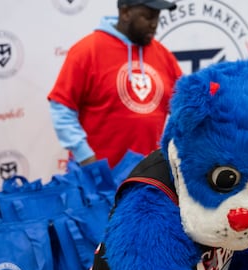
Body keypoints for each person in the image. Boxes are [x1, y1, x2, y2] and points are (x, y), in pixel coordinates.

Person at [48, 0, 182, 168]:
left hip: (147, 176)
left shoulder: (163, 55)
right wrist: (86, 158)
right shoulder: (87, 51)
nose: (154, 24)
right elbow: (61, 109)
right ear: (125, 13)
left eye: (157, 17)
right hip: (97, 179)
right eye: (147, 17)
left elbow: (182, 106)